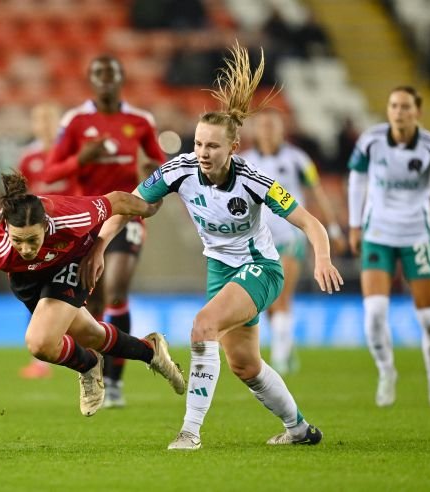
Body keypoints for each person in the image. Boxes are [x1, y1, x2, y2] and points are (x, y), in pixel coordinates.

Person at [81, 43, 343, 450]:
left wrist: (322, 256)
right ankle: (299, 429)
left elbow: (309, 221)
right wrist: (99, 245)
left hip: (260, 268)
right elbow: (127, 205)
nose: (203, 152)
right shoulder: (179, 170)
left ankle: (190, 432)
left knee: (203, 326)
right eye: (199, 143)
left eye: (213, 146)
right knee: (245, 365)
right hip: (220, 270)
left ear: (232, 148)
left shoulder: (253, 180)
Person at [0, 172, 186, 417]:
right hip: (28, 280)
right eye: (18, 240)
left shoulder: (72, 215)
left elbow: (117, 200)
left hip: (72, 263)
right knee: (91, 335)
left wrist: (146, 209)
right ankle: (150, 351)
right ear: (7, 229)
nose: (26, 248)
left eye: (33, 239)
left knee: (40, 342)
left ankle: (87, 365)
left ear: (46, 225)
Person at [41, 54, 167, 408]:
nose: (106, 80)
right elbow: (51, 172)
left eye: (112, 74)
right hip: (86, 219)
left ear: (121, 78)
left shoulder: (140, 121)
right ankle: (95, 368)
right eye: (99, 74)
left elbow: (161, 168)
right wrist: (81, 159)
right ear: (91, 80)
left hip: (126, 217)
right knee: (91, 303)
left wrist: (151, 174)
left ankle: (115, 382)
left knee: (115, 291)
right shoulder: (76, 121)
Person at [347, 86, 430, 408]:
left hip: (416, 238)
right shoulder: (370, 141)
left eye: (405, 106)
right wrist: (355, 224)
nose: (399, 111)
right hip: (378, 235)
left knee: (428, 320)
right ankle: (386, 372)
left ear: (417, 112)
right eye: (394, 105)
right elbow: (356, 179)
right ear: (388, 110)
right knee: (374, 314)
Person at [240, 109, 346, 374]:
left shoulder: (297, 158)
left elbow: (317, 194)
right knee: (271, 302)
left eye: (272, 126)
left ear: (281, 129)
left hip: (290, 235)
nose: (267, 131)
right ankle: (285, 345)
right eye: (262, 126)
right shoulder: (244, 161)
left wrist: (332, 230)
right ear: (255, 131)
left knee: (282, 294)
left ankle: (278, 359)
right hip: (258, 240)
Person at [17, 102, 77, 379]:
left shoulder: (71, 153)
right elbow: (21, 198)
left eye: (49, 118)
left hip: (71, 233)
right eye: (39, 119)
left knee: (77, 293)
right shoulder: (28, 159)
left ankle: (88, 348)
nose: (45, 125)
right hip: (42, 238)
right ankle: (40, 360)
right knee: (39, 295)